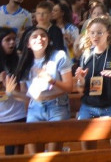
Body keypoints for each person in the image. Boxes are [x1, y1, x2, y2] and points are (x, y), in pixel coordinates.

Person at [4, 27, 73, 152]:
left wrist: (51, 80)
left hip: (57, 106)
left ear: (48, 40)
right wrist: (12, 92)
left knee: (54, 154)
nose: (39, 38)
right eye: (34, 36)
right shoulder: (25, 62)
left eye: (43, 35)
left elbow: (69, 87)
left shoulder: (59, 56)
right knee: (35, 154)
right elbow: (27, 95)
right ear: (28, 44)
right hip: (34, 108)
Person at [74, 17, 111, 148]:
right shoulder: (86, 54)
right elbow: (80, 89)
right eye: (92, 32)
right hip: (88, 106)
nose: (95, 36)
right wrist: (80, 80)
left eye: (99, 32)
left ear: (108, 33)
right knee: (87, 147)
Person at [0, 27, 26, 155]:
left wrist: (11, 88)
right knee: (8, 151)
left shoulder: (19, 60)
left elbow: (24, 91)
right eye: (7, 40)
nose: (12, 43)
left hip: (18, 113)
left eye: (13, 39)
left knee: (17, 151)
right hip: (2, 114)